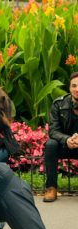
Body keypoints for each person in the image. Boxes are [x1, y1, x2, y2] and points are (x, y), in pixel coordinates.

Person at [43, 72, 78, 202]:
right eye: (74, 86)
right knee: (51, 144)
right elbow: (53, 130)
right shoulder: (59, 104)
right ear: (69, 88)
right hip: (65, 145)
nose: (77, 89)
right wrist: (67, 139)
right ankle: (51, 188)